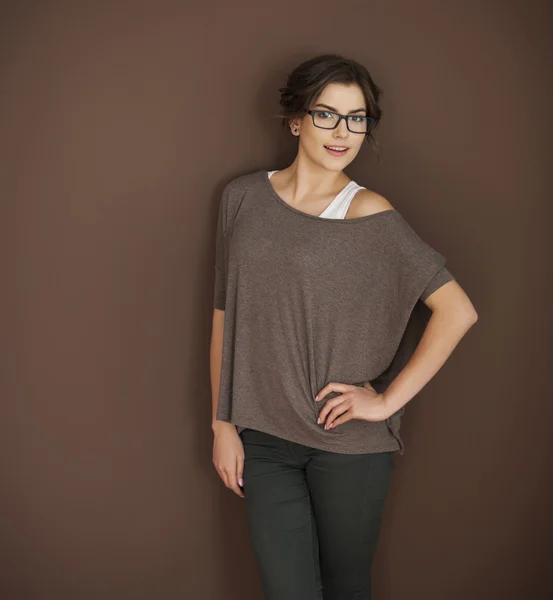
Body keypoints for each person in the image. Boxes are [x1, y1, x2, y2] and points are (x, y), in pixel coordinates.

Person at [210, 53, 478, 600]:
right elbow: (224, 314)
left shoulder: (370, 212)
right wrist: (221, 423)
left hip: (348, 447)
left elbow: (458, 310)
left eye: (357, 118)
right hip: (263, 438)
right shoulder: (241, 199)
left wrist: (384, 402)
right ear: (296, 120)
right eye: (327, 114)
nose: (343, 132)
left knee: (347, 589)